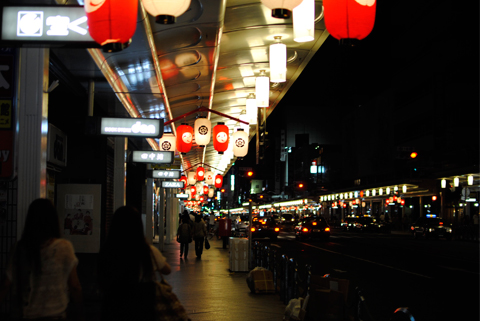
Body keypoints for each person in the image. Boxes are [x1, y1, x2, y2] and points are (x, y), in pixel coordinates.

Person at [0, 198, 84, 321]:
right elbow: (75, 286)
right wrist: (81, 314)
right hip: (55, 315)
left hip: (24, 314)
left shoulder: (20, 248)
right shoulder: (64, 248)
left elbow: (5, 284)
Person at [98, 206, 171, 321]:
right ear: (138, 226)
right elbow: (167, 270)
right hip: (142, 306)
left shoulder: (107, 250)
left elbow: (100, 279)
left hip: (112, 306)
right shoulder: (148, 251)